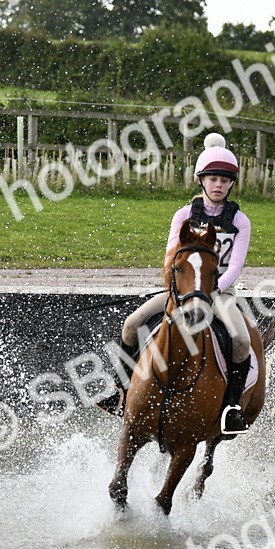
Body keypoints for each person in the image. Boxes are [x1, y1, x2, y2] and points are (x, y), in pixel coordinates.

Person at [101, 132, 254, 435]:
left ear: (231, 184)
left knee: (241, 341)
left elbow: (235, 266)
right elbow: (172, 257)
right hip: (182, 291)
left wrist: (211, 290)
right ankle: (120, 391)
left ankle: (231, 407)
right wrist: (185, 289)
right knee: (131, 325)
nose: (219, 185)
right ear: (201, 181)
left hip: (219, 292)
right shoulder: (183, 216)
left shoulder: (240, 221)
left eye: (224, 180)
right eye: (213, 179)